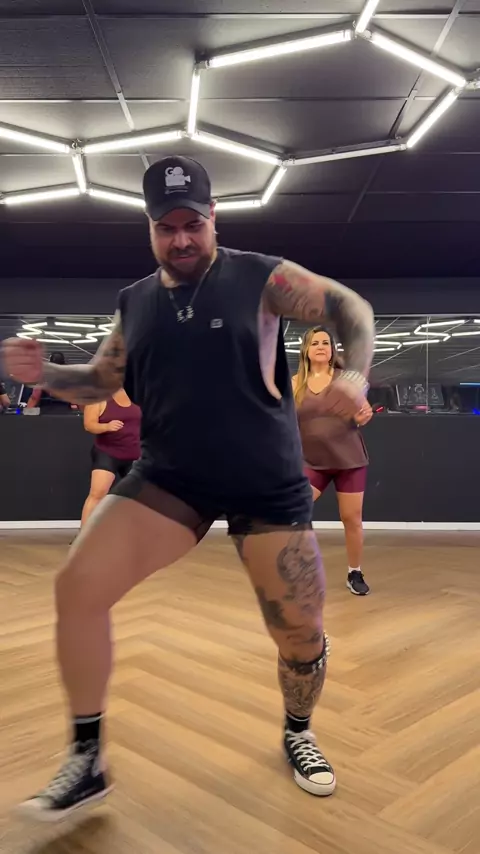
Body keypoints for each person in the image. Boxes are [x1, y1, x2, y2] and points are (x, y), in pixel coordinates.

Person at [2, 154, 374, 821]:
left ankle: (298, 731)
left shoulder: (262, 279)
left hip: (266, 483)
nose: (181, 238)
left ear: (213, 218)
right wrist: (46, 375)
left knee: (300, 636)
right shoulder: (136, 302)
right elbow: (101, 379)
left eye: (192, 224)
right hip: (172, 477)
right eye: (166, 227)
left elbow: (351, 308)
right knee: (76, 586)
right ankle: (87, 761)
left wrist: (354, 375)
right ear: (149, 228)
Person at [292, 327, 372, 596]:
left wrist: (363, 415)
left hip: (349, 460)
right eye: (315, 343)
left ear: (331, 350)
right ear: (306, 349)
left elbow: (361, 413)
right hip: (312, 462)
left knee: (351, 518)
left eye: (325, 343)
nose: (321, 347)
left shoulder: (346, 381)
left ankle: (354, 572)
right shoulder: (294, 383)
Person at [81, 389, 141, 527]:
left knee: (138, 499)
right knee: (97, 494)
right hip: (108, 453)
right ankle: (84, 534)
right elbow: (89, 425)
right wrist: (106, 426)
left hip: (135, 454)